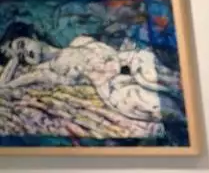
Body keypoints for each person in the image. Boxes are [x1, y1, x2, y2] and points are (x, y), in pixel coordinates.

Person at [0, 27, 182, 124]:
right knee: (153, 104)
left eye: (22, 45)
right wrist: (14, 61)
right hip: (112, 87)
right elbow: (3, 86)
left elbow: (117, 41)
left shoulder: (80, 40)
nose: (27, 53)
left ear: (33, 35)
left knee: (151, 70)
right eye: (22, 57)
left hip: (126, 60)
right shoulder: (46, 71)